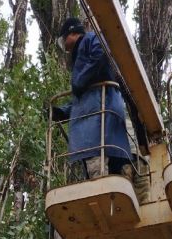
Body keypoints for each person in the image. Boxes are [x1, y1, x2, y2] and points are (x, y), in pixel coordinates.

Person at [53, 17, 132, 181]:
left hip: (96, 126)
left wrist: (80, 79)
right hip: (98, 124)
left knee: (101, 175)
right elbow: (81, 100)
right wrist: (61, 112)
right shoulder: (82, 64)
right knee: (110, 172)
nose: (63, 45)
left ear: (73, 32)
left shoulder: (90, 39)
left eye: (63, 39)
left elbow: (101, 53)